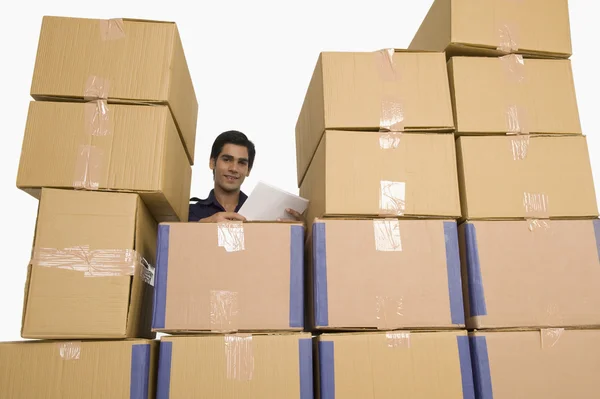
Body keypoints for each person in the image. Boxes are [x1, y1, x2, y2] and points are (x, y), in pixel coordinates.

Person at [189, 130, 304, 223]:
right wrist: (202, 226)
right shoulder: (190, 214)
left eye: (241, 163)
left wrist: (299, 233)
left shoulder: (265, 215)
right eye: (227, 159)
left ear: (248, 170)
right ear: (212, 163)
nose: (233, 168)